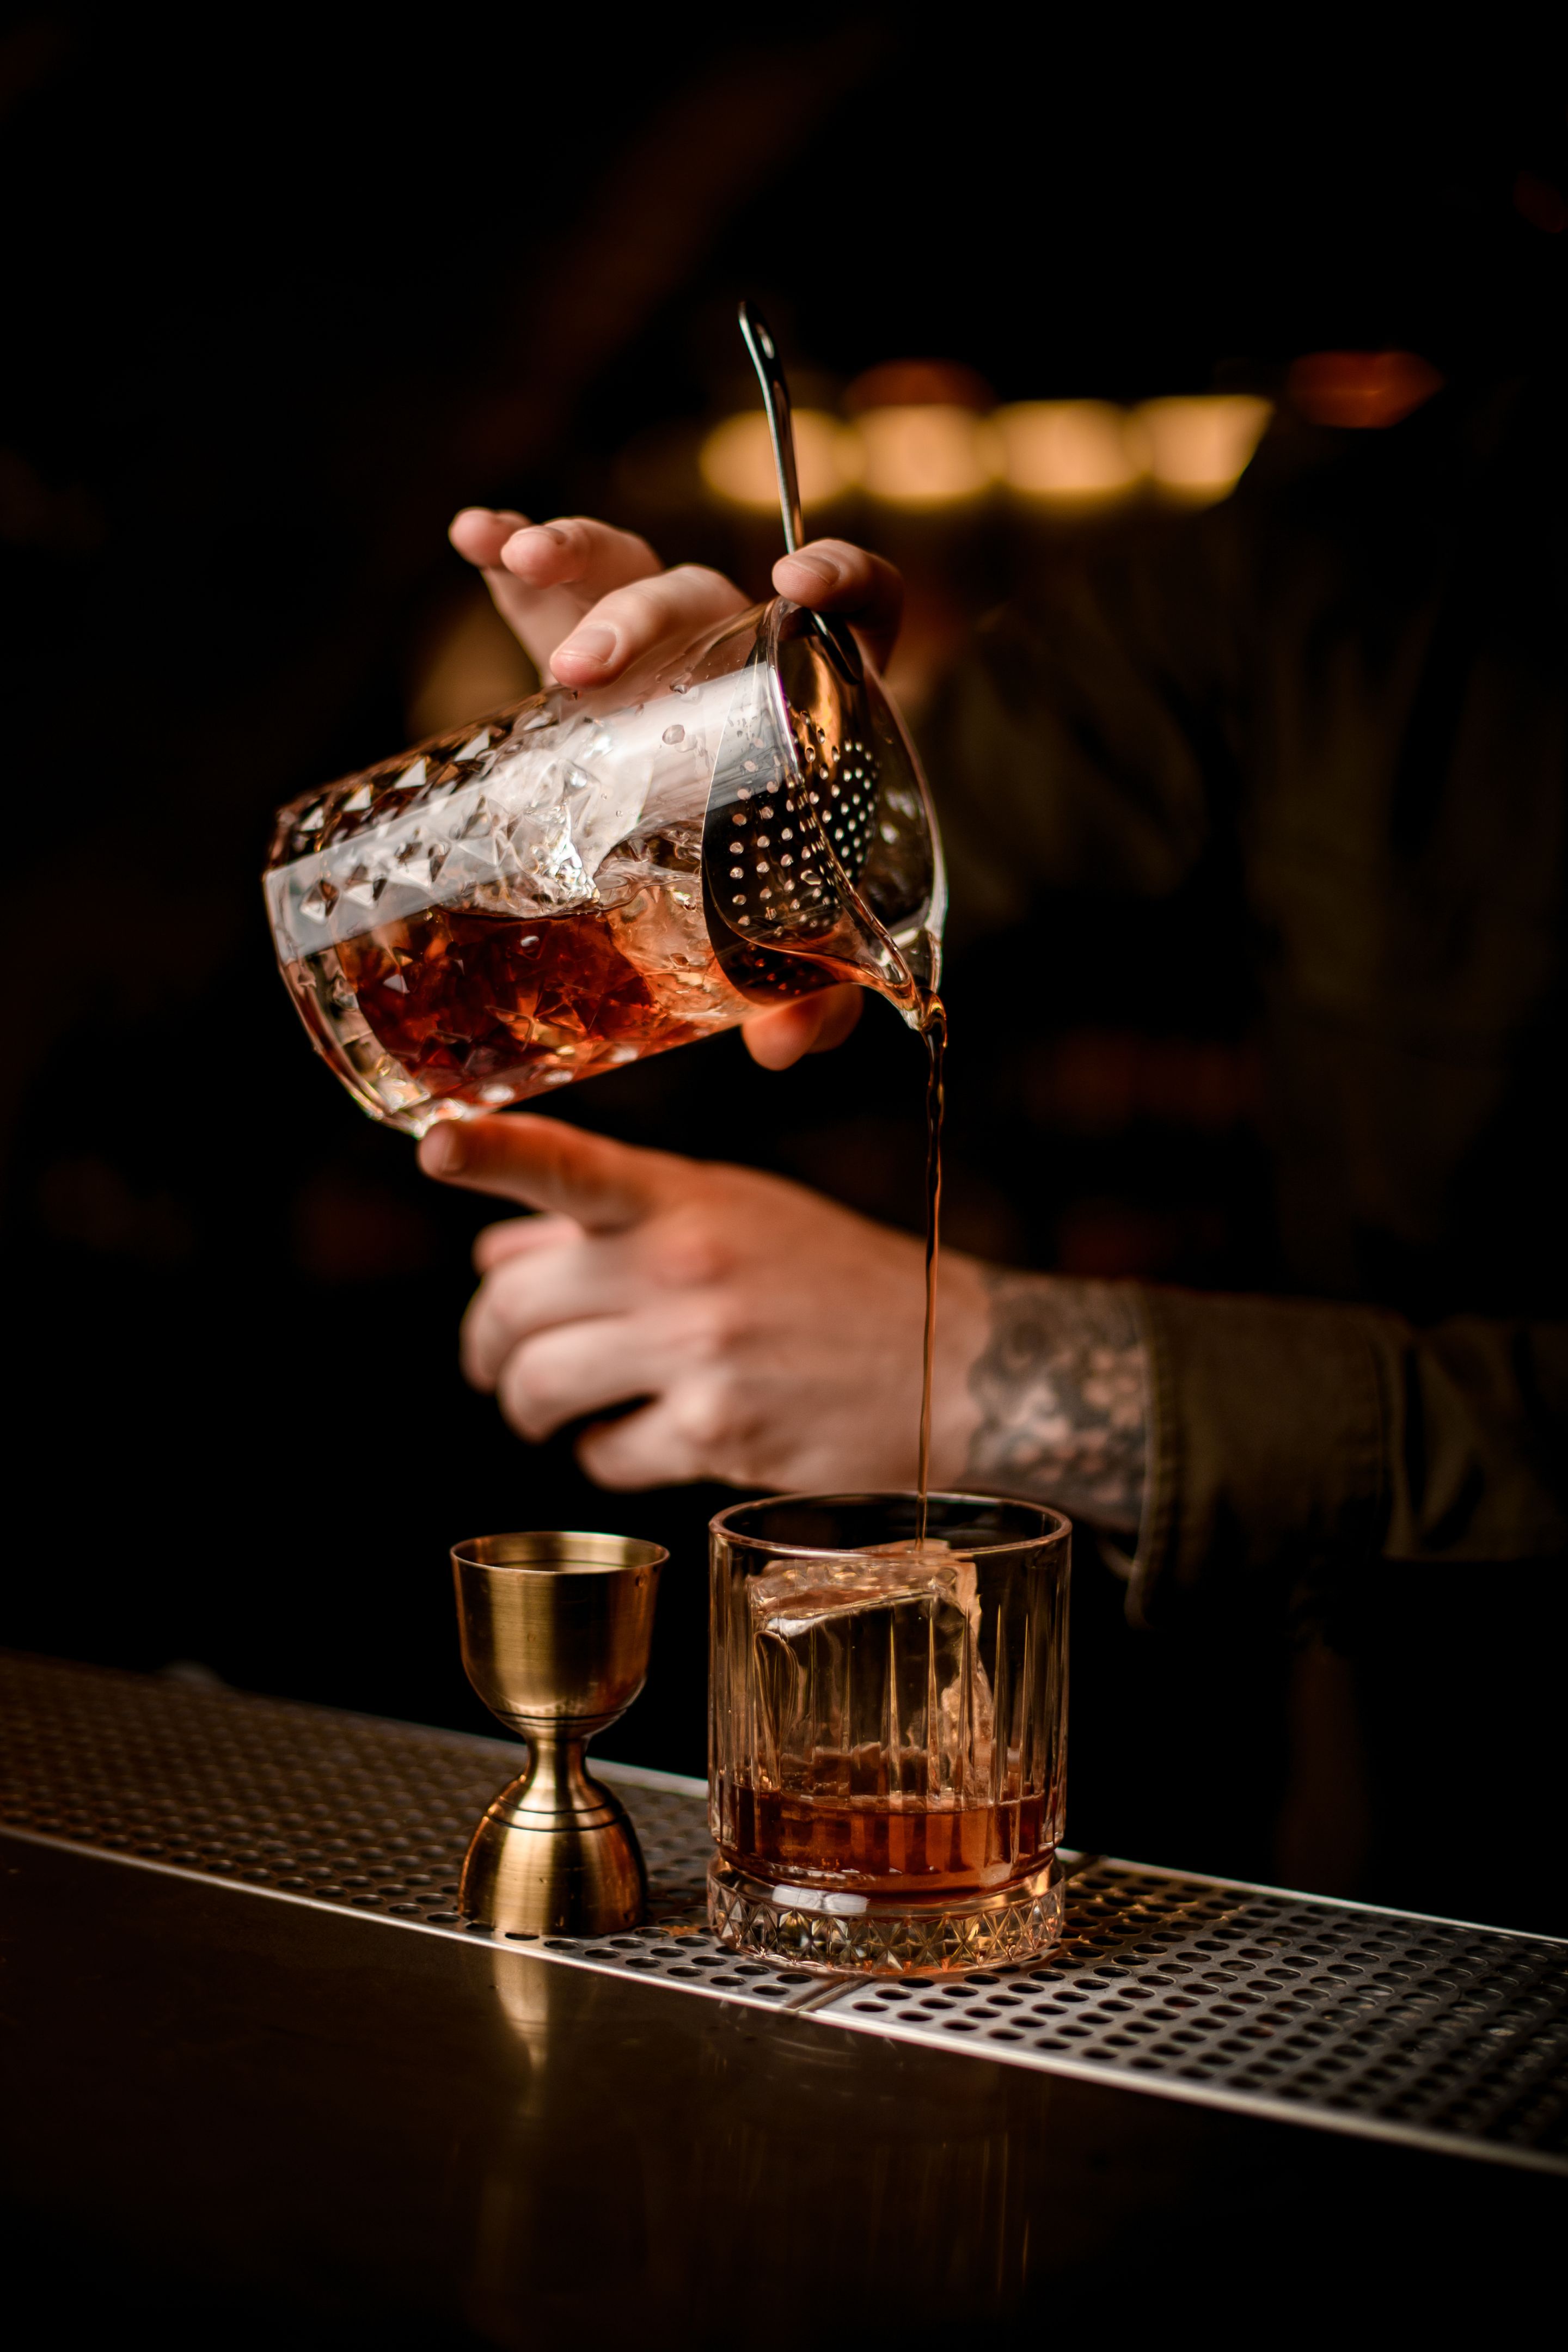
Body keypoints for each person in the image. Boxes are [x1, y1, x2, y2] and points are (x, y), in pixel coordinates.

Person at [418, 368, 1568, 1929]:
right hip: (1395, 1831)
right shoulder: (1366, 543)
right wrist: (690, 775)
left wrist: (998, 1373)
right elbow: (920, 826)